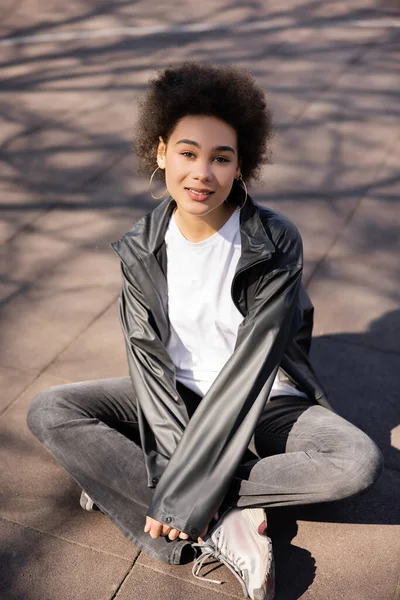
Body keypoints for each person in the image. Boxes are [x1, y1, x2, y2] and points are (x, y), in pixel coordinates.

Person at [27, 62, 384, 600]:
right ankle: (222, 524)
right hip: (178, 396)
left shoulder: (274, 239)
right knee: (50, 409)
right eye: (188, 153)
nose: (203, 173)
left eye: (222, 158)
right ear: (161, 152)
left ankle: (137, 485)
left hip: (266, 398)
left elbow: (252, 366)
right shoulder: (140, 247)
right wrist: (184, 482)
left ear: (242, 165)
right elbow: (148, 366)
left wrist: (189, 488)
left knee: (356, 463)